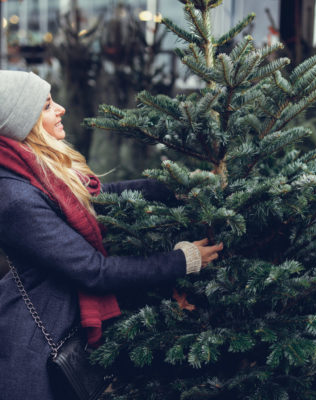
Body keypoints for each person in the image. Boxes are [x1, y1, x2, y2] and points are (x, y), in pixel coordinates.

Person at [0, 70, 223, 400]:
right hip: (35, 349)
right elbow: (95, 272)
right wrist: (183, 260)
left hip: (59, 327)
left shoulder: (33, 170)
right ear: (24, 122)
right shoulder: (15, 198)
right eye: (47, 106)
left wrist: (176, 187)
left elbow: (97, 197)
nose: (60, 109)